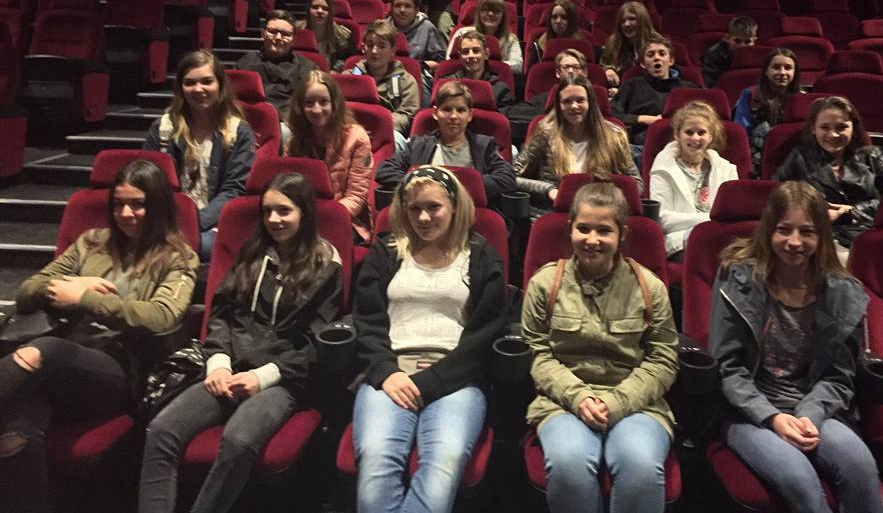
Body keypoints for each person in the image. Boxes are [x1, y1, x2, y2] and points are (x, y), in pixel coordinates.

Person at [139, 172, 342, 513]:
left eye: (284, 211)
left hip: (282, 378)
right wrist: (218, 362)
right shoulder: (252, 253)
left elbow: (315, 342)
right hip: (229, 366)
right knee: (161, 431)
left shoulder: (326, 264)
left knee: (238, 439)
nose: (274, 220)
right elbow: (222, 314)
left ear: (304, 213)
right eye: (267, 211)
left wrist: (262, 377)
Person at [1, 160, 198, 513]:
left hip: (118, 369)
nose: (126, 214)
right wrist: (67, 285)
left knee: (41, 351)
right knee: (18, 430)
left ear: (157, 206)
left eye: (138, 204)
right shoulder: (91, 242)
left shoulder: (178, 257)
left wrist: (85, 299)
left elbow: (160, 317)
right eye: (118, 204)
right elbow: (27, 291)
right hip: (63, 361)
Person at [709, 180, 883, 513]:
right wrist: (773, 417)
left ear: (821, 236)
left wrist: (809, 415)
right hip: (749, 412)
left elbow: (839, 377)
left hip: (814, 409)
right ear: (768, 230)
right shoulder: (738, 278)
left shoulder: (843, 292)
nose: (794, 242)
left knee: (861, 467)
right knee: (799, 478)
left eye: (807, 232)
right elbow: (727, 368)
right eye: (784, 230)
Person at [352, 165, 507, 513]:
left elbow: (485, 334)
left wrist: (432, 381)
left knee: (442, 464)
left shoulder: (481, 255)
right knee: (376, 458)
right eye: (415, 209)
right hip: (390, 376)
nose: (423, 218)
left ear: (454, 206)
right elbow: (367, 320)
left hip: (456, 378)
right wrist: (387, 371)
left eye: (433, 207)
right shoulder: (386, 250)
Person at [522, 181, 678, 513]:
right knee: (570, 464)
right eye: (583, 228)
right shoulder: (545, 284)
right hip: (562, 402)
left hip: (637, 403)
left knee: (640, 467)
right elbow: (537, 352)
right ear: (570, 229)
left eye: (604, 230)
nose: (592, 240)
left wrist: (615, 402)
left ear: (622, 234)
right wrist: (579, 397)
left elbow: (663, 359)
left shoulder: (649, 287)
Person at [144, 50, 256, 262]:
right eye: (189, 83)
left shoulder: (238, 132)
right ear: (180, 88)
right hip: (167, 220)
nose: (198, 89)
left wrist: (193, 222)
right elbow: (147, 180)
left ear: (220, 85)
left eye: (206, 82)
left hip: (214, 222)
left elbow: (234, 190)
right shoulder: (163, 127)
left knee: (201, 246)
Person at [775, 96, 883, 255]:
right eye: (825, 127)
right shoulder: (799, 158)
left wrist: (853, 211)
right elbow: (778, 198)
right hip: (821, 237)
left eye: (841, 127)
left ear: (853, 127)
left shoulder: (872, 156)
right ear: (813, 129)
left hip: (870, 234)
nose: (833, 135)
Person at [515, 75, 642, 217]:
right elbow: (513, 177)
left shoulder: (614, 135)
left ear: (590, 102)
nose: (574, 106)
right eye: (567, 101)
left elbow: (636, 184)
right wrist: (549, 189)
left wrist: (609, 195)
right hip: (553, 213)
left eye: (580, 100)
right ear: (559, 105)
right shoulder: (545, 134)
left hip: (601, 214)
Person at [375, 81, 516, 205]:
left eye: (461, 110)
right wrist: (423, 183)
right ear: (435, 113)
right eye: (447, 109)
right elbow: (384, 170)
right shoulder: (419, 144)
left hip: (468, 214)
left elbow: (507, 178)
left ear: (469, 115)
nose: (454, 116)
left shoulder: (484, 146)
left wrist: (456, 184)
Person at [286, 70, 373, 243]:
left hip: (346, 219)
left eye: (323, 102)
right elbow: (289, 190)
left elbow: (356, 196)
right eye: (309, 103)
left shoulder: (357, 138)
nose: (316, 109)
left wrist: (321, 218)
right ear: (300, 107)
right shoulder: (293, 143)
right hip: (303, 219)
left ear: (334, 103)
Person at [649, 101, 739, 261]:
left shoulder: (727, 169)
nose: (695, 138)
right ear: (677, 135)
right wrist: (711, 219)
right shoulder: (663, 168)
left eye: (701, 132)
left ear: (711, 136)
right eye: (689, 132)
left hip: (720, 239)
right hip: (681, 242)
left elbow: (732, 215)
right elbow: (662, 219)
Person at [611, 35, 696, 146]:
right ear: (643, 63)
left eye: (662, 54)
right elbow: (613, 113)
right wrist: (643, 119)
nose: (656, 58)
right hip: (639, 144)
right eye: (650, 55)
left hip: (679, 144)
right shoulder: (632, 85)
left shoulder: (687, 88)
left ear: (671, 61)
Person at [235, 10, 318, 121]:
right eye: (273, 32)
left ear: (294, 40)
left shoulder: (307, 68)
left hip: (289, 124)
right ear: (263, 34)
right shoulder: (245, 62)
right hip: (249, 121)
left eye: (285, 34)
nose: (278, 38)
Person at [349, 19, 420, 145]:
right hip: (352, 130)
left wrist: (378, 125)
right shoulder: (349, 77)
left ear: (392, 50)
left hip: (389, 132)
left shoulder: (406, 81)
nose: (374, 51)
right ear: (363, 48)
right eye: (370, 45)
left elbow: (407, 116)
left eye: (381, 46)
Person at [734, 47, 801, 176]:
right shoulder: (750, 94)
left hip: (792, 157)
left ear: (795, 72)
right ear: (766, 71)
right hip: (756, 155)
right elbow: (742, 132)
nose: (782, 72)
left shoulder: (801, 99)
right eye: (776, 67)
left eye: (788, 68)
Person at [503, 48, 588, 129]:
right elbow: (512, 111)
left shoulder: (594, 95)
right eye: (566, 67)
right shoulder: (547, 98)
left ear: (585, 72)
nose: (570, 71)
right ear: (558, 73)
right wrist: (550, 112)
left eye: (576, 67)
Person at [448, 0, 523, 74]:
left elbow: (517, 66)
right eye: (485, 10)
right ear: (479, 13)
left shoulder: (511, 39)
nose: (490, 14)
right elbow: (448, 61)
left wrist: (481, 63)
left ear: (503, 15)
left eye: (496, 11)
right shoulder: (462, 33)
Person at [599, 1, 659, 94]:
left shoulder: (658, 45)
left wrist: (623, 93)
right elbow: (604, 63)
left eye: (632, 19)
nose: (627, 24)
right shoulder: (614, 43)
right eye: (623, 21)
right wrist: (608, 70)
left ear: (642, 21)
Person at [445, 29, 514, 109]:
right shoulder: (448, 83)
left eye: (476, 51)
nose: (471, 55)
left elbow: (504, 116)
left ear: (486, 54)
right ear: (460, 56)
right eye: (465, 52)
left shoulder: (500, 89)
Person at [386, 0, 445, 68]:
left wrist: (417, 66)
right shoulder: (383, 27)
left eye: (407, 6)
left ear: (416, 10)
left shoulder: (427, 27)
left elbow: (439, 61)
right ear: (391, 8)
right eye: (398, 5)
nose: (402, 10)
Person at [299, 0, 357, 71]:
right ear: (308, 10)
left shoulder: (344, 36)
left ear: (331, 12)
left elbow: (352, 63)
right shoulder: (297, 32)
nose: (320, 11)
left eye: (325, 8)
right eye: (315, 7)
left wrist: (337, 71)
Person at [701, 16, 758, 88]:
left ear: (754, 41)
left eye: (747, 42)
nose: (742, 46)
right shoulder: (713, 54)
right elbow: (710, 86)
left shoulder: (759, 56)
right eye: (737, 41)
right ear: (727, 38)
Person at [530, 0, 584, 67]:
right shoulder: (539, 45)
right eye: (554, 17)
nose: (558, 21)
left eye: (564, 17)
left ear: (571, 21)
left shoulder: (581, 44)